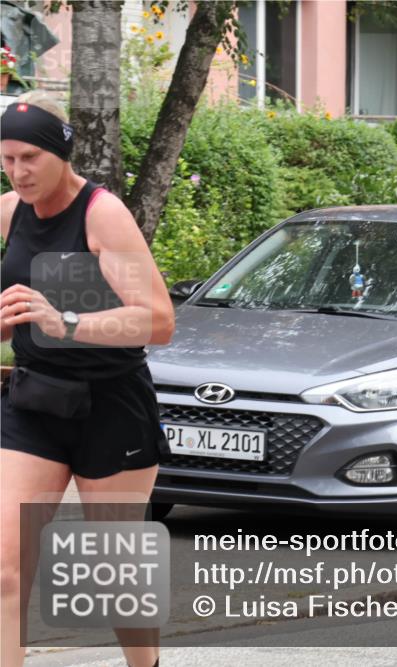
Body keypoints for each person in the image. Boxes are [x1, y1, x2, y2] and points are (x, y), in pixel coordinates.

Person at [0, 92, 175, 667]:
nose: (19, 172)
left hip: (111, 406)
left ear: (61, 153)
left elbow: (157, 319)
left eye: (29, 158)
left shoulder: (102, 214)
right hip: (34, 398)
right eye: (7, 160)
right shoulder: (9, 213)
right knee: (4, 562)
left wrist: (64, 321)